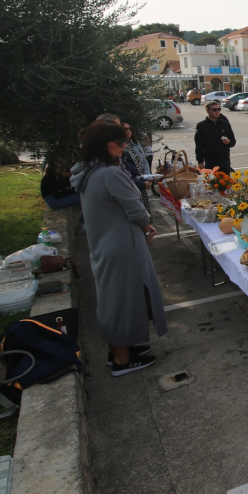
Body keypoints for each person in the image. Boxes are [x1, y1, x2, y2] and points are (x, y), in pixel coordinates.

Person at [70, 120, 166, 376]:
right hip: (122, 244)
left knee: (113, 299)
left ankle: (118, 352)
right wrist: (147, 227)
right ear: (103, 145)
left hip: (103, 245)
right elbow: (134, 207)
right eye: (119, 142)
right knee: (125, 301)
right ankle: (123, 359)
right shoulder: (110, 173)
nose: (124, 146)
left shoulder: (87, 170)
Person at [194, 100, 236, 172]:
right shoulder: (202, 126)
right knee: (213, 182)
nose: (217, 111)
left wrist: (228, 142)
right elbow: (199, 145)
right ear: (207, 111)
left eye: (219, 109)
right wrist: (200, 161)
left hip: (225, 160)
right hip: (211, 161)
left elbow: (233, 141)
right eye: (214, 110)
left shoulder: (225, 124)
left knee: (226, 182)